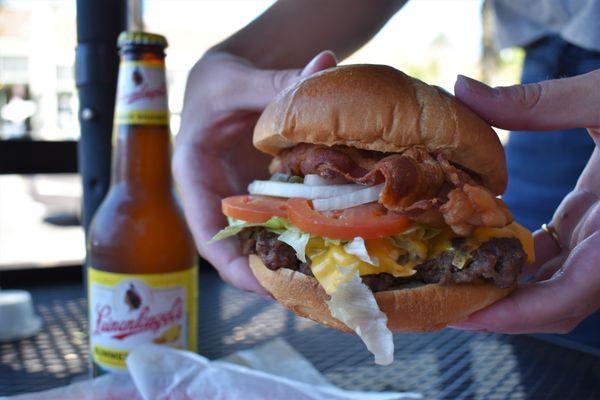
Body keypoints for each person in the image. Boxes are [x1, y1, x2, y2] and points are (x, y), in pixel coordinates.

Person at [172, 0, 599, 341]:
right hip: (547, 49)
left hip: (561, 100)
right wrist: (233, 57)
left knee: (570, 301)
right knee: (551, 294)